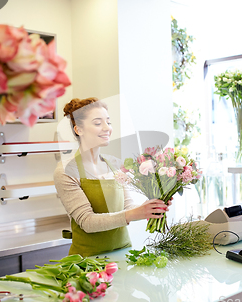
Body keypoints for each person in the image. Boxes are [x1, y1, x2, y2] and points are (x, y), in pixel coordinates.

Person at [54, 97, 170, 257]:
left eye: (108, 122)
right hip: (88, 261)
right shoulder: (66, 171)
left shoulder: (114, 164)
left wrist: (150, 208)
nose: (107, 128)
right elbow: (87, 222)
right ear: (78, 129)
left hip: (123, 253)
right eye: (97, 123)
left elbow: (128, 208)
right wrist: (136, 213)